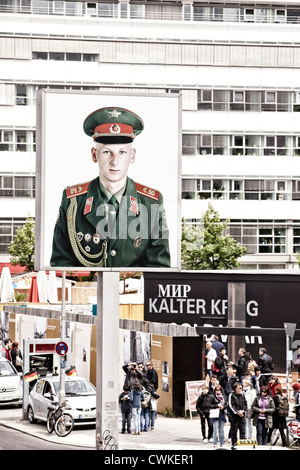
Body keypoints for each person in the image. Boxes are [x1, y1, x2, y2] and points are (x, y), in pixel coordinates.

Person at [50, 106, 170, 268]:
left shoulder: (151, 202)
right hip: (85, 291)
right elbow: (61, 265)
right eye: (107, 152)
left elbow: (159, 268)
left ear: (132, 156)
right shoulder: (73, 201)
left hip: (133, 292)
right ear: (94, 155)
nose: (115, 161)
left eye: (122, 152)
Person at [228, 382, 247, 447]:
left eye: (241, 388)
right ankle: (234, 445)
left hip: (242, 416)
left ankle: (242, 445)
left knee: (243, 431)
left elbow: (246, 404)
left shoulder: (242, 395)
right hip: (235, 416)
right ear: (235, 389)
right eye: (240, 388)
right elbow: (230, 406)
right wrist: (237, 412)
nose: (241, 389)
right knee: (234, 431)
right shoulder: (231, 395)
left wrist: (243, 411)